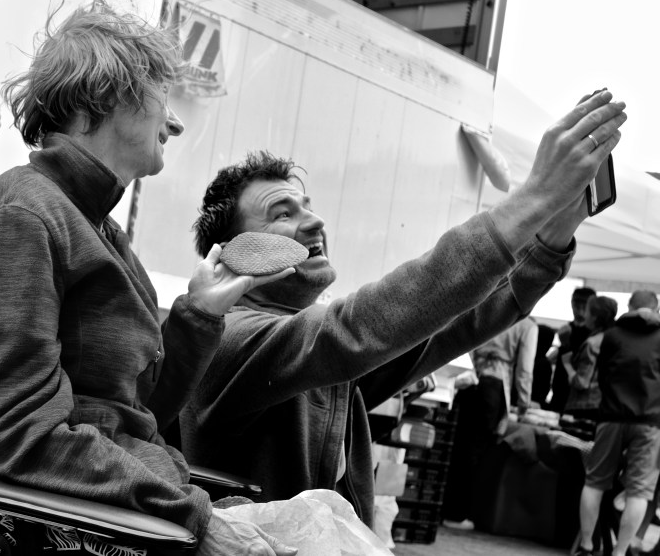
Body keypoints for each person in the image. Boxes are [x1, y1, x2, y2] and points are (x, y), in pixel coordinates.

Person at [0, 0, 308, 556]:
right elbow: (20, 437)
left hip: (138, 509)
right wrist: (194, 518)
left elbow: (139, 414)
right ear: (107, 95)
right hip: (74, 526)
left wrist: (198, 316)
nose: (175, 122)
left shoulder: (97, 226)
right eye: (163, 96)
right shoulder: (21, 216)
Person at [178, 89, 626, 528]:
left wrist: (552, 236)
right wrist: (534, 198)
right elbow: (354, 327)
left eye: (307, 207)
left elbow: (451, 326)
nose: (315, 221)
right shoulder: (227, 338)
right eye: (282, 214)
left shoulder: (312, 358)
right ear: (234, 253)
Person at [576, 308, 660, 556]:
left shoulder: (612, 335)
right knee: (639, 491)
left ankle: (586, 547)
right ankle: (620, 552)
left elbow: (602, 376)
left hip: (611, 416)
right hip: (649, 422)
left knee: (594, 482)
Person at [442, 317, 537, 530]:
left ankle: (444, 507)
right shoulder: (527, 325)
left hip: (471, 382)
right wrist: (524, 402)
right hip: (495, 386)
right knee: (475, 452)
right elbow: (525, 369)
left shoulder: (493, 310)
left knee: (458, 446)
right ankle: (457, 513)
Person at [565, 295, 618, 422]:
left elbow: (582, 382)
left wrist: (567, 364)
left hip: (584, 406)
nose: (584, 315)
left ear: (595, 317)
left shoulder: (592, 343)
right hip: (604, 404)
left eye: (587, 311)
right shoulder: (615, 339)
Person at [547, 286, 597, 412]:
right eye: (575, 303)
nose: (579, 308)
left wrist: (565, 346)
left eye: (583, 304)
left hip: (580, 396)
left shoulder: (595, 334)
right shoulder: (568, 328)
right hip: (559, 390)